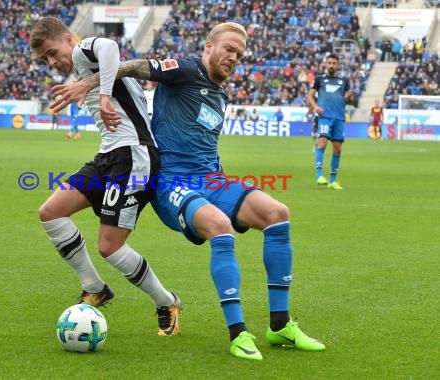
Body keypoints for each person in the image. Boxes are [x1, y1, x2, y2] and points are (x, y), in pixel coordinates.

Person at [50, 22, 325, 361]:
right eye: (228, 48)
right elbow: (133, 66)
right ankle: (238, 333)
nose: (233, 57)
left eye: (239, 53)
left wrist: (226, 186)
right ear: (208, 47)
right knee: (219, 227)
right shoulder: (185, 68)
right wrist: (91, 82)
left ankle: (280, 325)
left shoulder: (219, 95)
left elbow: (207, 146)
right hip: (170, 182)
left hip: (211, 180)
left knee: (277, 214)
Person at [29, 16, 180, 336]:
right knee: (51, 212)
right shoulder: (88, 69)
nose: (53, 61)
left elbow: (110, 46)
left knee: (109, 246)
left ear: (69, 39)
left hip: (133, 157)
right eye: (46, 59)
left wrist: (104, 94)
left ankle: (166, 301)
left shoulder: (84, 51)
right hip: (110, 157)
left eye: (53, 52)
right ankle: (94, 286)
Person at [308, 53, 353, 190]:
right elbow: (310, 96)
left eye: (334, 63)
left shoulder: (344, 80)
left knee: (338, 149)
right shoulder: (319, 79)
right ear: (326, 64)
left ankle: (333, 180)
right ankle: (320, 175)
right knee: (321, 143)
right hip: (325, 116)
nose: (331, 65)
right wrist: (316, 107)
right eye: (329, 63)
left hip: (339, 117)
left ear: (338, 65)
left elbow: (346, 99)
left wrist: (349, 97)